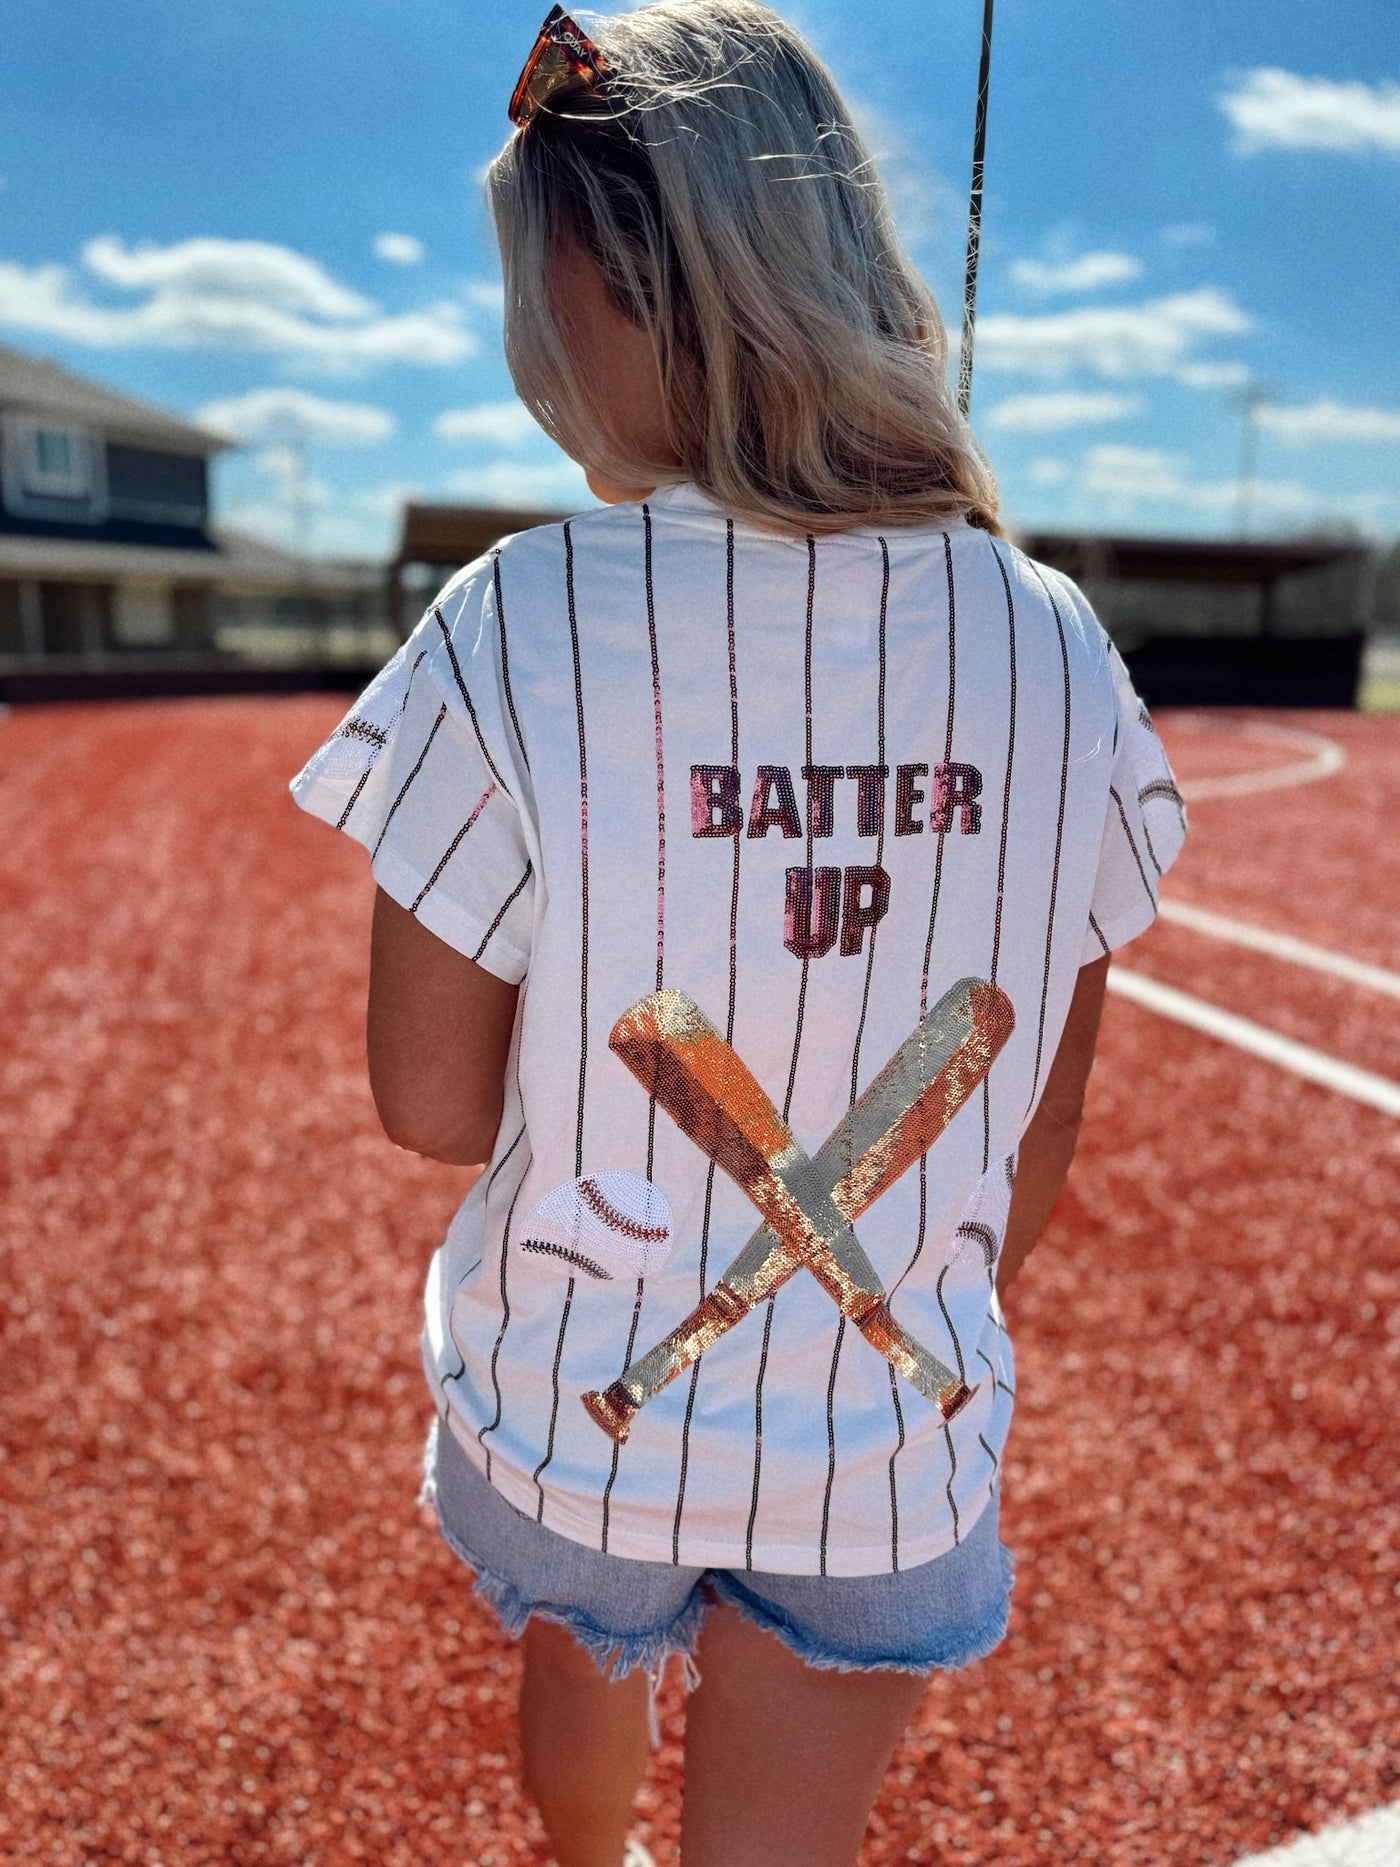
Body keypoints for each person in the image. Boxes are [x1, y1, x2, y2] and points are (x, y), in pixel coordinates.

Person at [290, 4, 1186, 1863]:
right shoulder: (1056, 641)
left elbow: (433, 1104)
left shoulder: (510, 619)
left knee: (582, 1683)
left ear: (602, 279)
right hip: (889, 1433)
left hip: (576, 1404)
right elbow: (1028, 1142)